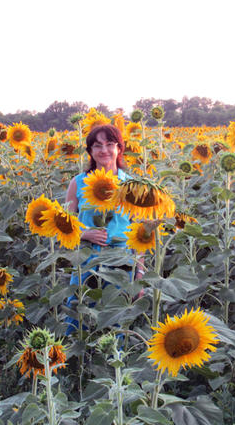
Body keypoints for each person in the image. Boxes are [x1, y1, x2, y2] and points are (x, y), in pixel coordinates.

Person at [64, 124, 143, 334]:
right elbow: (65, 226)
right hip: (86, 260)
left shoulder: (131, 185)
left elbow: (140, 233)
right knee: (78, 315)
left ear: (119, 149)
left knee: (115, 321)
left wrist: (140, 273)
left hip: (121, 262)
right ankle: (78, 365)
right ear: (90, 151)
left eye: (110, 144)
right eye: (97, 145)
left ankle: (112, 366)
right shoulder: (78, 183)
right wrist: (85, 233)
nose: (104, 150)